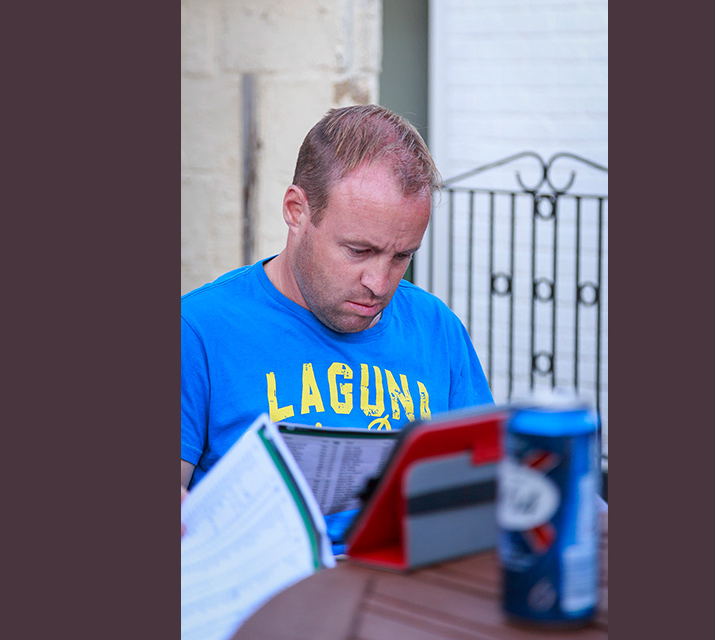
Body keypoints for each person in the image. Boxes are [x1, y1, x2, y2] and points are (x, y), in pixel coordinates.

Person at [181, 105, 495, 534]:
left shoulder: (436, 327)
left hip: (408, 570)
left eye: (402, 256)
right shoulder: (199, 330)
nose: (379, 284)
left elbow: (483, 489)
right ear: (297, 210)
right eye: (359, 251)